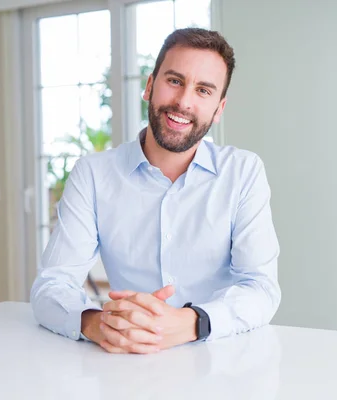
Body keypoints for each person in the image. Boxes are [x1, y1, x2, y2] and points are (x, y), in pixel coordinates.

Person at [30, 28, 281, 354]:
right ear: (150, 86)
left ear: (219, 109)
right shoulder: (93, 174)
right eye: (174, 81)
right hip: (124, 359)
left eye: (203, 90)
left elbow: (261, 288)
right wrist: (97, 323)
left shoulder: (243, 172)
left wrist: (191, 322)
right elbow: (51, 285)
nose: (183, 102)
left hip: (222, 360)